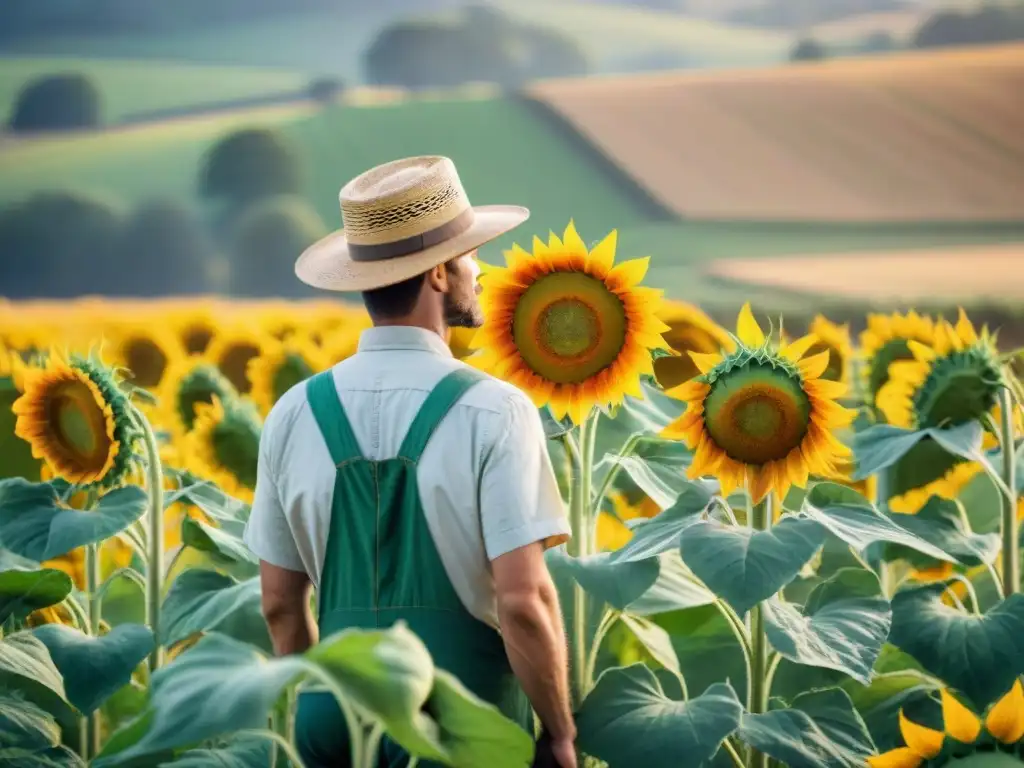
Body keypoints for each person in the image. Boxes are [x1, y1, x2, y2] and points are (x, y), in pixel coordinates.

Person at [242, 155, 577, 768]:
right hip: (459, 716)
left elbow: (279, 604)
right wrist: (559, 734)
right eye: (470, 254)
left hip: (332, 715)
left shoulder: (293, 412)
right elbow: (523, 602)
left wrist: (327, 702)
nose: (479, 267)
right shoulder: (494, 409)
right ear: (439, 277)